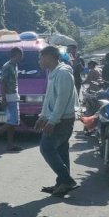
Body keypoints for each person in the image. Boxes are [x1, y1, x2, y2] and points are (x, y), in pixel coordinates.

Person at [35, 45, 79, 197]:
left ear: (49, 57)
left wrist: (52, 121)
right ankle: (61, 184)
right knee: (61, 151)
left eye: (40, 57)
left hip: (63, 120)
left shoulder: (63, 74)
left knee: (46, 148)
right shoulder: (53, 73)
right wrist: (43, 117)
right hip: (58, 118)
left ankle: (67, 180)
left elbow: (61, 100)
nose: (39, 61)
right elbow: (50, 98)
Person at [0, 47, 23, 152]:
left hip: (13, 96)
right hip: (9, 97)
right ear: (16, 55)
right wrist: (4, 99)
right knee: (13, 121)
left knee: (12, 123)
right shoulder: (7, 66)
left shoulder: (14, 65)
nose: (22, 57)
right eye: (21, 55)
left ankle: (10, 144)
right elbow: (1, 83)